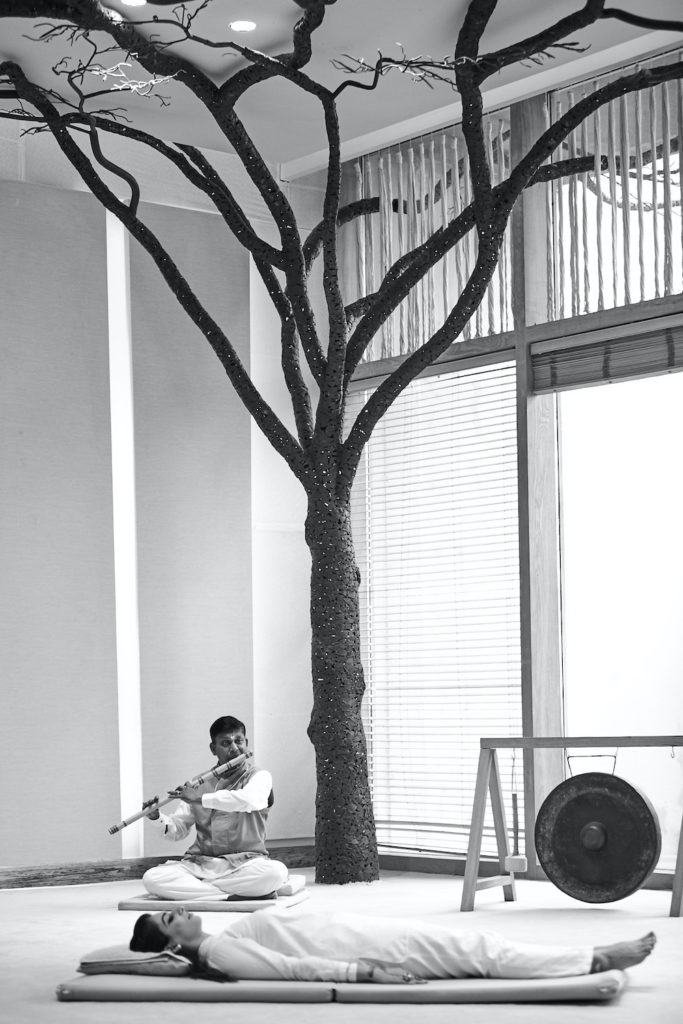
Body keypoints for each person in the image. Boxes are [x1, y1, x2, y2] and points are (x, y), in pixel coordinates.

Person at [129, 906, 657, 984]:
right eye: (173, 917)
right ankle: (595, 959)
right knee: (481, 953)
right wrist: (365, 974)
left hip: (365, 931)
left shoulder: (221, 936)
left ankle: (586, 954)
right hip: (373, 953)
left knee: (479, 941)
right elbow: (291, 968)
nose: (184, 913)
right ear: (174, 939)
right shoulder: (219, 954)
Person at [142, 715, 289, 901]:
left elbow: (248, 800)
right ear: (214, 749)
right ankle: (229, 893)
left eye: (239, 741)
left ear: (247, 742)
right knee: (152, 878)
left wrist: (200, 799)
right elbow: (177, 831)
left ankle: (203, 892)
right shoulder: (197, 784)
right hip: (202, 864)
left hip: (246, 863)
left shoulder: (260, 776)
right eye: (226, 743)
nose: (235, 748)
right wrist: (156, 817)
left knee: (275, 873)